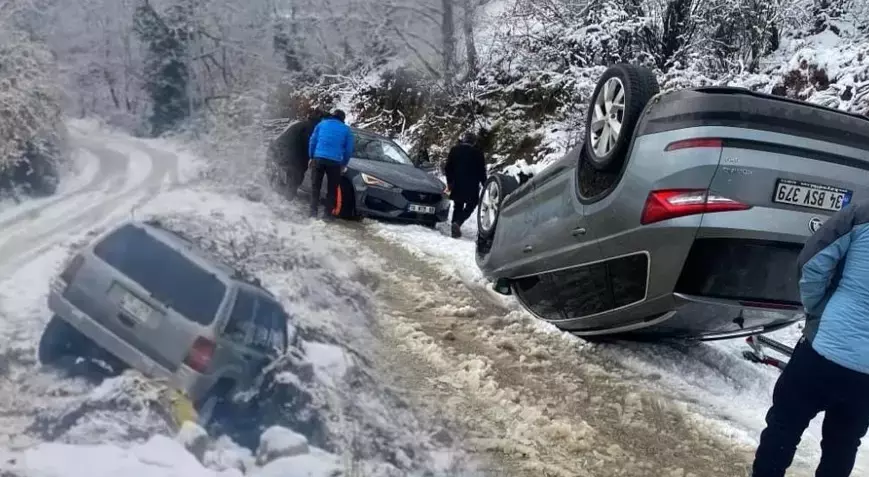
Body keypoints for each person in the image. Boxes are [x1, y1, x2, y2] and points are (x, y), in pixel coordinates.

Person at [752, 200, 869, 477]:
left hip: (824, 348)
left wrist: (817, 308)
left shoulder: (861, 214)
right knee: (843, 444)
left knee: (784, 426)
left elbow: (813, 262)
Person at [307, 109, 354, 220]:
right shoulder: (346, 130)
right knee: (332, 190)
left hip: (318, 158)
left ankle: (312, 214)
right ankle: (327, 215)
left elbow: (312, 141)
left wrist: (311, 157)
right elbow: (348, 150)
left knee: (315, 187)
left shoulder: (321, 124)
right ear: (343, 119)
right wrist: (344, 164)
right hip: (335, 162)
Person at [444, 131, 487, 238]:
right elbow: (481, 171)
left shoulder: (454, 150)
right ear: (473, 142)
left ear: (463, 140)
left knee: (457, 205)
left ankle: (454, 228)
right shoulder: (478, 153)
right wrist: (485, 184)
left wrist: (450, 182)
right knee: (471, 205)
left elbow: (448, 167)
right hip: (472, 186)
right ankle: (458, 222)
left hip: (457, 183)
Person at [281, 109, 325, 200]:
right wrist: (311, 157)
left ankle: (288, 196)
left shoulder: (304, 124)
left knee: (293, 176)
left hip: (287, 152)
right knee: (296, 177)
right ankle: (288, 198)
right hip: (294, 155)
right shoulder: (311, 127)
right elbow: (307, 144)